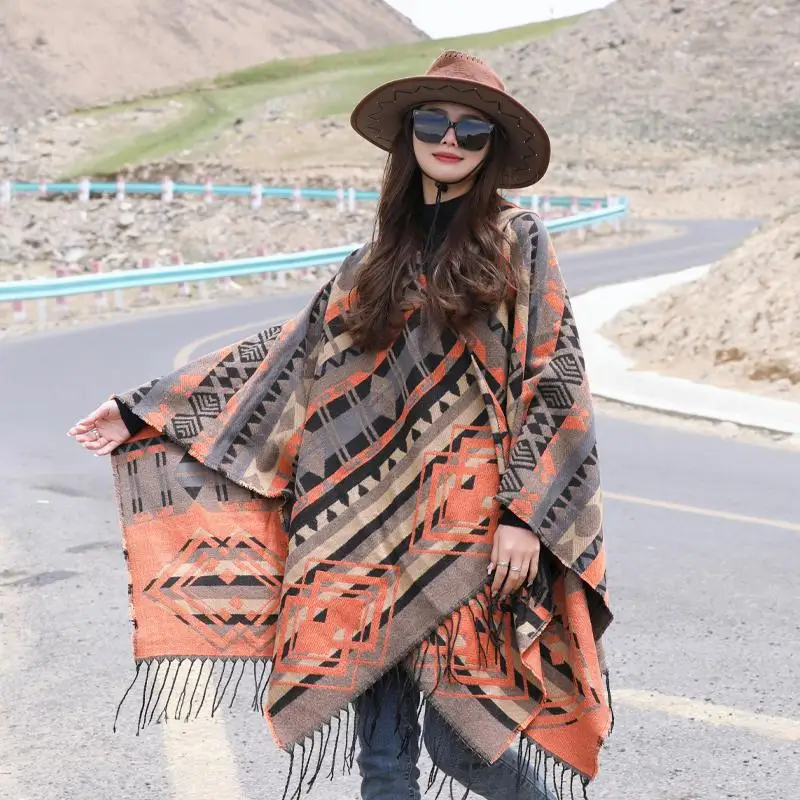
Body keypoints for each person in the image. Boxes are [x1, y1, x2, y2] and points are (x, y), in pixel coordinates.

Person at [67, 51, 612, 800]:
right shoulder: (371, 262)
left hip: (468, 526)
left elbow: (552, 379)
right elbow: (289, 356)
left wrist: (526, 512)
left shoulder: (516, 239)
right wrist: (141, 407)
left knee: (464, 746)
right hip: (359, 535)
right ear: (409, 134)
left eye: (470, 130)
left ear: (490, 148)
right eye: (432, 121)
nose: (448, 139)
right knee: (382, 759)